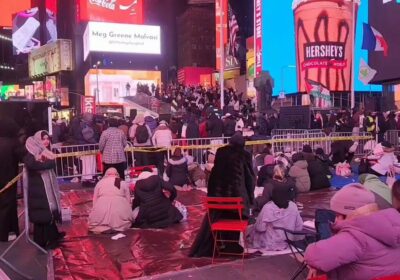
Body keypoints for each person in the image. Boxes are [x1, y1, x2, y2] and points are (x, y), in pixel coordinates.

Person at [305, 184, 400, 280]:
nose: (336, 220)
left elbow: (314, 256)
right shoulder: (390, 224)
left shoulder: (356, 235)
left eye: (337, 215)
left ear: (346, 214)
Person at [189, 133, 255, 257]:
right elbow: (250, 178)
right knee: (236, 214)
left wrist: (213, 193)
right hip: (236, 198)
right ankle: (232, 244)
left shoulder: (221, 152)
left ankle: (222, 243)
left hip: (218, 197)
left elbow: (214, 175)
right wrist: (251, 199)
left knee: (221, 215)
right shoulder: (245, 155)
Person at [24, 130, 63, 249]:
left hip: (43, 187)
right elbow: (33, 165)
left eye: (47, 138)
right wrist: (49, 163)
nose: (46, 141)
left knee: (48, 211)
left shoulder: (45, 151)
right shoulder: (31, 152)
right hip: (38, 187)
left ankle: (52, 236)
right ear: (37, 140)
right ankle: (44, 240)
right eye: (43, 139)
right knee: (43, 213)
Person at [246, 185, 303, 251]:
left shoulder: (268, 208)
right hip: (288, 241)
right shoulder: (293, 206)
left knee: (250, 230)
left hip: (269, 243)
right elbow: (299, 226)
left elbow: (260, 228)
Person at [88, 168, 134, 233]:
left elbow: (94, 201)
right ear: (117, 174)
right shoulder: (122, 182)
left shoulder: (100, 183)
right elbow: (128, 200)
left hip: (101, 212)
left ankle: (103, 227)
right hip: (120, 214)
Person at [0, 118, 21, 242]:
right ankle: (5, 233)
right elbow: (23, 156)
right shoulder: (13, 143)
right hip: (9, 180)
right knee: (8, 206)